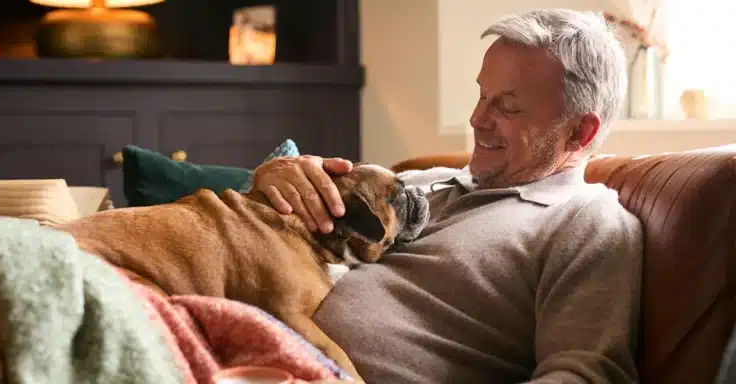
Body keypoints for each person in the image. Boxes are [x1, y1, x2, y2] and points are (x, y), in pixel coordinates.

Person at [251, 8, 643, 384]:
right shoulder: (417, 181)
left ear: (580, 132)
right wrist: (273, 181)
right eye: (482, 94)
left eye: (507, 106)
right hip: (245, 340)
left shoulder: (589, 223)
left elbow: (586, 375)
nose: (477, 118)